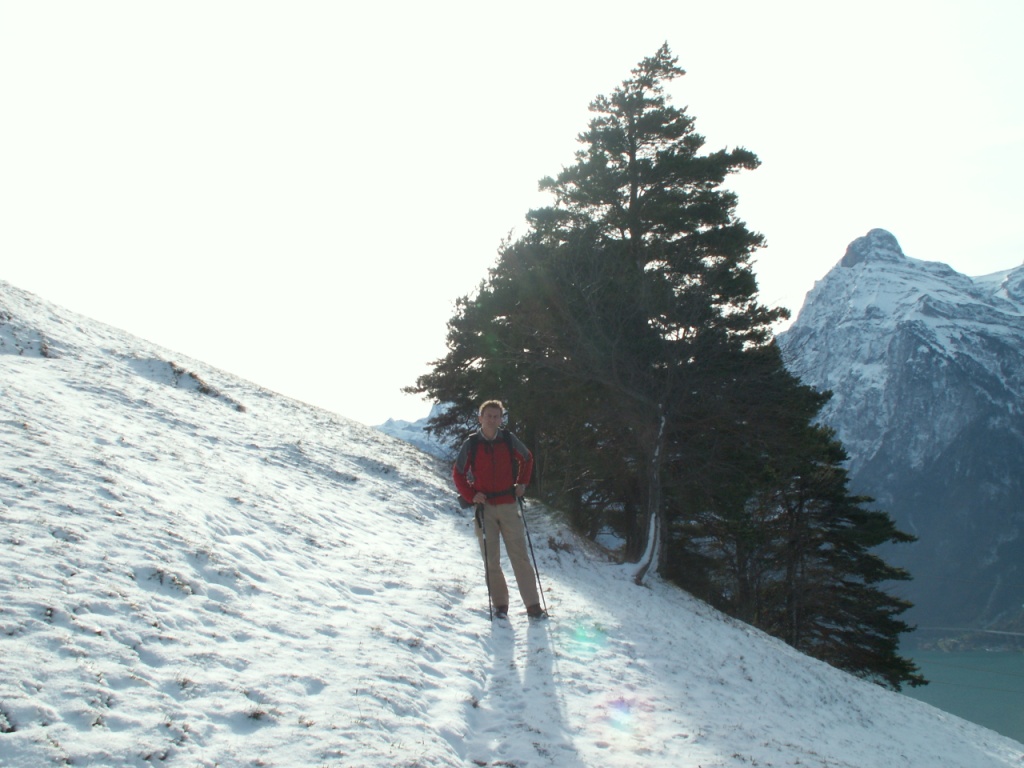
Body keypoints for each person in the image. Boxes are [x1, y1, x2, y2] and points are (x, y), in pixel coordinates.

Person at [453, 400, 544, 620]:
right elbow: (458, 473)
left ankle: (533, 606)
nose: (493, 419)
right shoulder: (471, 444)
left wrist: (522, 483)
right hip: (484, 508)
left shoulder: (508, 439)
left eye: (497, 416)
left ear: (501, 418)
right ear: (480, 418)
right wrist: (471, 495)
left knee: (519, 556)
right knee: (490, 559)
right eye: (489, 416)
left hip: (508, 504)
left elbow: (527, 458)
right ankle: (500, 606)